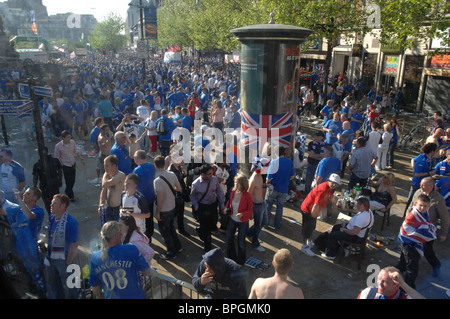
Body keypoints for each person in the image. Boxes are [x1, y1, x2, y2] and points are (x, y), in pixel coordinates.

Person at [0, 188, 46, 297]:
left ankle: (43, 293)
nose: (24, 194)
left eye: (28, 193)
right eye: (25, 193)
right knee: (28, 274)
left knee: (38, 276)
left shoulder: (38, 211)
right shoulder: (19, 210)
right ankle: (33, 290)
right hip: (21, 250)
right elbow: (3, 211)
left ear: (35, 198)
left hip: (31, 250)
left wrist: (19, 200)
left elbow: (29, 215)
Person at [89, 221, 150, 299]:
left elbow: (95, 287)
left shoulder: (95, 257)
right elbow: (145, 270)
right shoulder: (130, 248)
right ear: (118, 235)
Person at [404, 177, 448, 277]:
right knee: (409, 249)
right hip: (414, 228)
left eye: (423, 185)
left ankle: (436, 265)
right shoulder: (418, 192)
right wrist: (407, 219)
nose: (420, 187)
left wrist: (443, 233)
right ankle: (404, 267)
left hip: (427, 231)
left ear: (431, 187)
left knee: (427, 251)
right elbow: (411, 206)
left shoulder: (438, 199)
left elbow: (445, 218)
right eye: (421, 184)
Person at [396, 194, 437, 288]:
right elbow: (414, 231)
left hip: (411, 244)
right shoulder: (413, 215)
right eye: (420, 205)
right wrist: (431, 233)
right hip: (408, 244)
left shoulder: (424, 214)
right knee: (412, 269)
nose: (422, 208)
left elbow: (424, 225)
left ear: (429, 206)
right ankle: (407, 288)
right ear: (416, 204)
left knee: (403, 264)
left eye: (425, 206)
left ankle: (390, 277)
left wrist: (429, 230)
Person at [44, 194, 79, 299]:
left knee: (69, 287)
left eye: (54, 203)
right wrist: (45, 246)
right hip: (50, 259)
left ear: (63, 206)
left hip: (64, 261)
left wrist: (67, 262)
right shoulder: (51, 217)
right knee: (54, 284)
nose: (51, 205)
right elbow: (48, 234)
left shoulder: (72, 223)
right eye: (51, 203)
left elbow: (74, 245)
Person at [300, 174, 340, 257]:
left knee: (312, 227)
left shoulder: (329, 188)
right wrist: (313, 216)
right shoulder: (322, 190)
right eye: (332, 183)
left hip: (314, 210)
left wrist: (335, 206)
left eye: (335, 184)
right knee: (307, 229)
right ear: (328, 181)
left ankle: (309, 242)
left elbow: (331, 197)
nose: (334, 185)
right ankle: (304, 246)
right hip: (308, 210)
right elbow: (316, 205)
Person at [190, 164, 226, 252]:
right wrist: (197, 207)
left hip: (213, 205)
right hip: (202, 207)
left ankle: (201, 231)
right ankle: (208, 248)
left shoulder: (214, 180)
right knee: (206, 230)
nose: (211, 175)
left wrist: (222, 205)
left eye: (212, 173)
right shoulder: (196, 184)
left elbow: (219, 192)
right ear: (203, 174)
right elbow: (192, 196)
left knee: (213, 224)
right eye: (209, 174)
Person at [153, 155, 182, 260]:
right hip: (172, 207)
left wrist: (157, 212)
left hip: (164, 210)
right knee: (171, 228)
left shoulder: (157, 181)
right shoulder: (172, 174)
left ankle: (171, 252)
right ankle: (178, 247)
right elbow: (178, 188)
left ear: (155, 165)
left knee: (165, 232)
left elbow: (160, 199)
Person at [224, 174, 253, 265]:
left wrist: (242, 214)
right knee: (229, 240)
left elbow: (250, 210)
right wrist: (226, 208)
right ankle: (231, 259)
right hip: (232, 219)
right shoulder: (232, 192)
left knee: (241, 242)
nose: (236, 185)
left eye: (238, 184)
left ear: (243, 185)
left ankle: (240, 261)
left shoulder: (247, 196)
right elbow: (229, 202)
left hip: (243, 222)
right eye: (235, 183)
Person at [403, 143, 437, 217]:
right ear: (432, 151)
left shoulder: (427, 157)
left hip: (424, 184)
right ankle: (407, 216)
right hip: (418, 184)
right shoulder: (422, 160)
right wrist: (429, 173)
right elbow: (416, 174)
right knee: (412, 201)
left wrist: (413, 168)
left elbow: (413, 160)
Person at [265, 145, 295, 230]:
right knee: (280, 207)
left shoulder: (274, 162)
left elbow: (268, 179)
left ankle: (266, 224)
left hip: (273, 189)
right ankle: (276, 225)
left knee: (268, 205)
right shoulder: (289, 162)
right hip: (284, 189)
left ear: (275, 153)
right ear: (284, 152)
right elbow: (292, 176)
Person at [53, 130, 85, 202]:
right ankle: (70, 195)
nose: (69, 139)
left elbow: (76, 151)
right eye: (67, 137)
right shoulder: (58, 146)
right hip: (65, 165)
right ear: (63, 138)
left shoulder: (72, 142)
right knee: (68, 181)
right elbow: (57, 156)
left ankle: (68, 190)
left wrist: (81, 158)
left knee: (72, 180)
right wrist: (62, 165)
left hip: (72, 163)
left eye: (69, 137)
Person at [357, 266, 424, 299]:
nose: (379, 283)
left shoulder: (403, 297)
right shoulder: (368, 292)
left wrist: (402, 283)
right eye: (379, 279)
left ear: (397, 285)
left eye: (385, 282)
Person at [132, 150, 156, 239]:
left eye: (134, 157)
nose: (133, 159)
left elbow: (133, 184)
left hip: (141, 199)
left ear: (138, 158)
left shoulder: (137, 170)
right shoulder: (151, 165)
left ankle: (145, 237)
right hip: (151, 196)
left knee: (142, 219)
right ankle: (150, 234)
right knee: (150, 217)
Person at [32, 146, 63, 214]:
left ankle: (52, 214)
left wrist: (35, 186)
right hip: (52, 184)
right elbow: (60, 171)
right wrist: (60, 180)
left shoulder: (38, 165)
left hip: (45, 186)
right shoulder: (54, 161)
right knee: (55, 200)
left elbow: (35, 177)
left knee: (48, 203)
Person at [247, 157, 269, 252]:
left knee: (263, 222)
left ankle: (248, 233)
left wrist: (265, 186)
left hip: (261, 203)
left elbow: (258, 187)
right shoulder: (254, 178)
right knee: (258, 225)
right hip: (256, 205)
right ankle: (255, 243)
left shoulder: (259, 175)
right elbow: (249, 194)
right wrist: (250, 210)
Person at [98, 155, 126, 223]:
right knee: (109, 228)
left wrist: (104, 176)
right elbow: (103, 191)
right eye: (104, 165)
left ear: (114, 166)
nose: (105, 168)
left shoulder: (121, 175)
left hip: (120, 208)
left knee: (120, 229)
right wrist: (101, 205)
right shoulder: (108, 175)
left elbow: (105, 184)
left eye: (107, 166)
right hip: (109, 208)